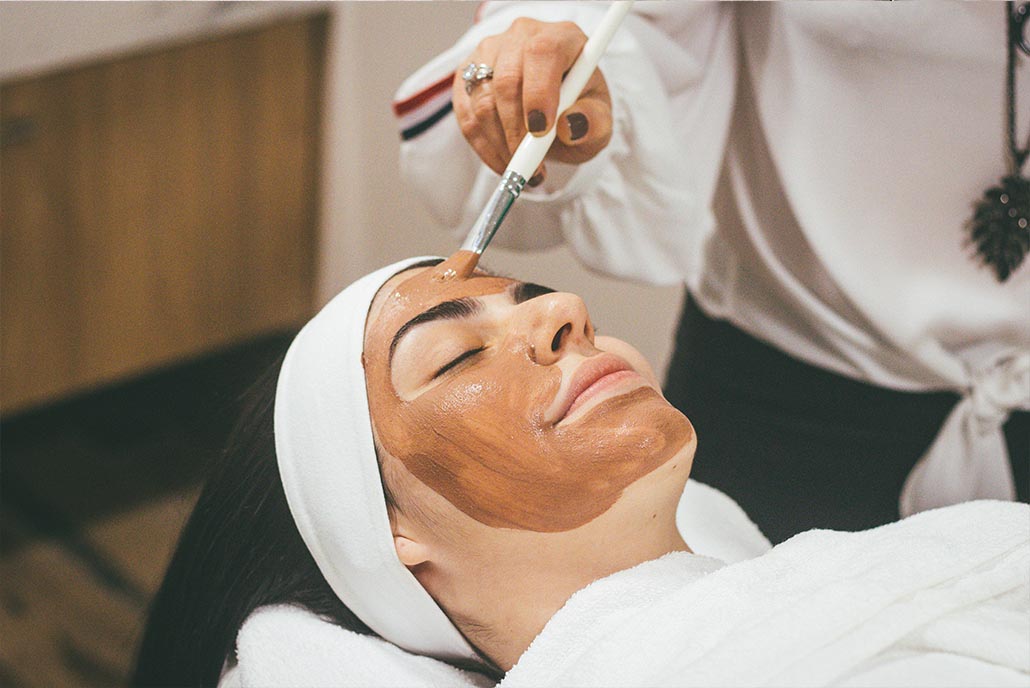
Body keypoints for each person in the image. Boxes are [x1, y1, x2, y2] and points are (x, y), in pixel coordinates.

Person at [133, 255, 1028, 687]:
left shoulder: (826, 600)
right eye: (454, 357)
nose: (567, 309)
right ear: (388, 531)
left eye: (532, 297)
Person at [393, 2, 1030, 542]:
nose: (565, 310)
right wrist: (554, 72)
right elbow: (614, 24)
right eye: (452, 356)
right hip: (791, 412)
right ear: (399, 543)